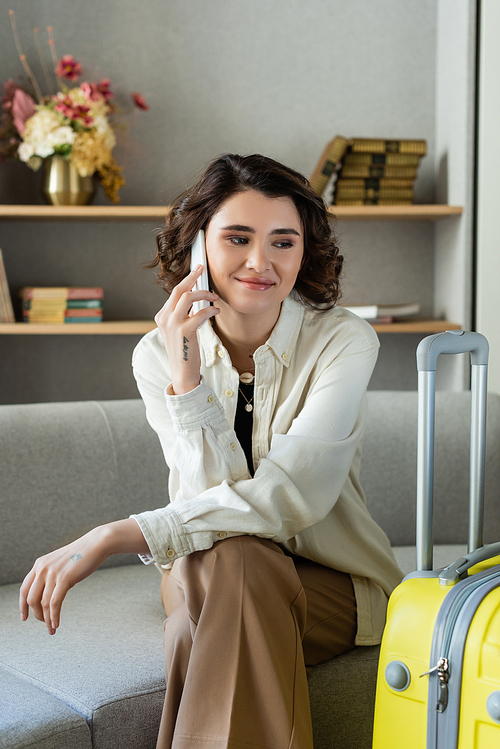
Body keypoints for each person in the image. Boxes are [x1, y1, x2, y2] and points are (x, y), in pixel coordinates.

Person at [19, 153, 403, 749]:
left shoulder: (344, 342)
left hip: (333, 580)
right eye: (237, 238)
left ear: (305, 253)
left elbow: (290, 499)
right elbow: (210, 509)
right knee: (236, 560)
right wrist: (188, 379)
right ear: (198, 248)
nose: (260, 262)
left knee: (200, 620)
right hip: (203, 565)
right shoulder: (156, 355)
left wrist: (120, 534)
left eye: (283, 241)